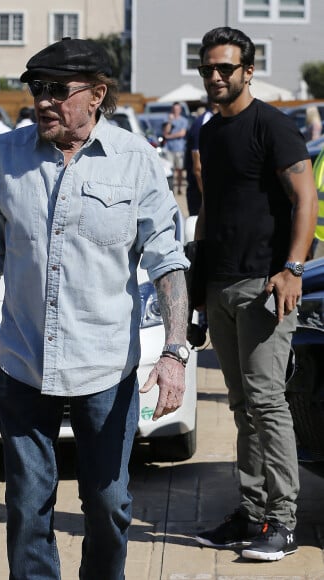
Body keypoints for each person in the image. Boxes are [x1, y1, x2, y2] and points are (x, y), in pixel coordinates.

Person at [0, 37, 190, 579]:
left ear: (97, 94)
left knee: (110, 507)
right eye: (35, 89)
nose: (42, 101)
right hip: (23, 363)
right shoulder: (4, 157)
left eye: (55, 90)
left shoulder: (136, 161)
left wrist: (174, 351)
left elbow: (167, 262)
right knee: (26, 509)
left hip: (105, 367)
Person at [193, 27, 318, 561]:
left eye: (226, 68)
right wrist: (196, 287)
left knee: (268, 404)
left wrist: (292, 268)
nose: (216, 77)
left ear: (248, 70)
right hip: (219, 284)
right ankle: (252, 511)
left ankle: (283, 522)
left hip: (264, 285)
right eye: (208, 69)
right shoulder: (208, 133)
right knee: (242, 406)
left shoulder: (273, 125)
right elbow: (210, 212)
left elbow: (306, 198)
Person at [184, 99, 218, 216]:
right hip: (200, 193)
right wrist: (207, 197)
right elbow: (197, 167)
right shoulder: (204, 122)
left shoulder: (218, 119)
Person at [162, 101, 189, 193]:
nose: (175, 111)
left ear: (180, 110)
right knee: (170, 169)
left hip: (179, 148)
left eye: (177, 109)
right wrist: (170, 121)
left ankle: (179, 187)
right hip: (169, 148)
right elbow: (165, 132)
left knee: (180, 169)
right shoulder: (167, 119)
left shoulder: (183, 120)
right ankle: (171, 187)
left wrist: (169, 136)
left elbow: (182, 133)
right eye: (174, 109)